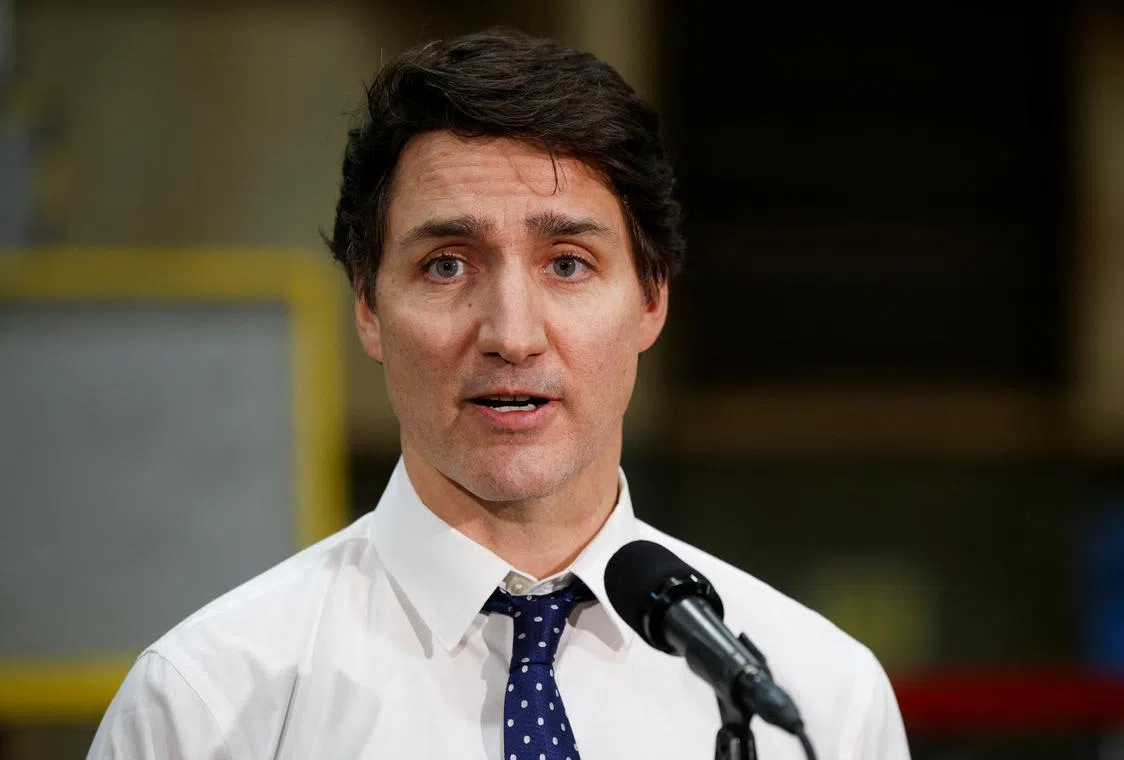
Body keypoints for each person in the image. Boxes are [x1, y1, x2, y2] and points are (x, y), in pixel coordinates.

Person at [88, 28, 910, 759]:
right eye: (446, 264)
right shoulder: (206, 706)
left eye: (567, 264)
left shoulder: (814, 699)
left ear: (652, 298)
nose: (512, 334)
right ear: (368, 308)